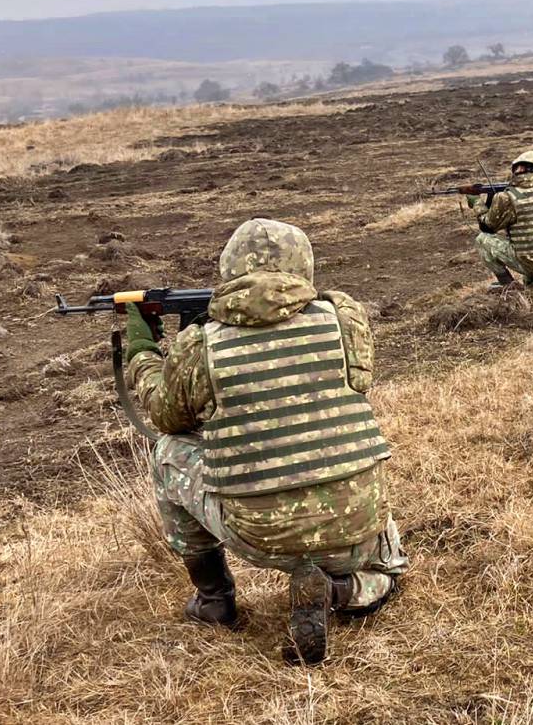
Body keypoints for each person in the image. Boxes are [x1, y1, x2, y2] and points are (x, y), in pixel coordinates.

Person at [123, 217, 408, 665]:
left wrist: (143, 351)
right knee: (389, 571)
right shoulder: (344, 318)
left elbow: (166, 417)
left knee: (168, 454)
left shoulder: (202, 344)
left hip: (258, 535)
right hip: (356, 522)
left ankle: (215, 599)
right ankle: (338, 589)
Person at [471, 150, 533, 291]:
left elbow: (487, 227)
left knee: (482, 240)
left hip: (529, 261)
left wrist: (477, 203)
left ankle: (509, 286)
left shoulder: (506, 197)